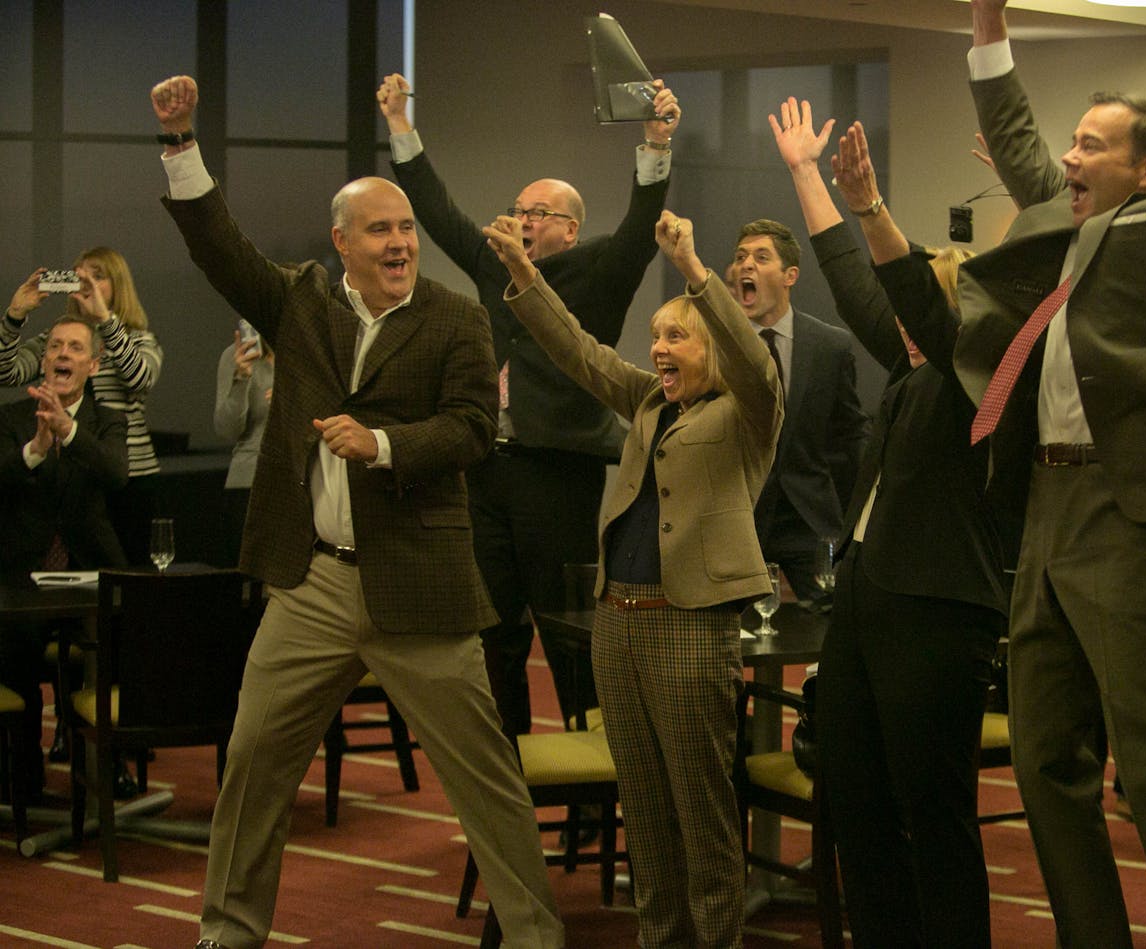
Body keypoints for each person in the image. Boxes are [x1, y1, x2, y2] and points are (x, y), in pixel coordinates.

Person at [149, 75, 562, 949]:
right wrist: (181, 144)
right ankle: (227, 930)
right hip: (312, 583)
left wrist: (380, 446)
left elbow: (473, 430)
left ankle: (535, 936)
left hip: (420, 585)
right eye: (381, 229)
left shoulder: (455, 318)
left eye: (408, 228)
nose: (401, 242)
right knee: (253, 765)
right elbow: (221, 249)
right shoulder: (299, 300)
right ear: (342, 242)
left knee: (486, 778)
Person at [951, 2, 1146, 946]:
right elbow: (1016, 145)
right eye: (1071, 145)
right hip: (1048, 506)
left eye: (1090, 146)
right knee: (1043, 760)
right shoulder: (1069, 228)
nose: (1067, 160)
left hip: (1131, 513)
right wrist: (988, 24)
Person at [484, 207, 781, 949]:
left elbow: (752, 359)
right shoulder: (648, 400)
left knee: (703, 816)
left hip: (691, 624)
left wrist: (694, 273)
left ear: (710, 345)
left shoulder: (748, 410)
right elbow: (580, 352)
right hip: (618, 621)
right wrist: (526, 279)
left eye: (675, 335)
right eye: (656, 337)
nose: (658, 348)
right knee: (645, 814)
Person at [770, 99, 1009, 946]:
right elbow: (854, 279)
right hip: (869, 603)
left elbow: (905, 296)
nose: (895, 318)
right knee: (855, 798)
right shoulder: (909, 375)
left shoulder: (976, 386)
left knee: (933, 812)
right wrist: (807, 175)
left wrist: (872, 207)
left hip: (940, 611)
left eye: (916, 306)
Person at [379, 73, 679, 738]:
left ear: (569, 229)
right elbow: (438, 211)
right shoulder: (494, 265)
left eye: (536, 212)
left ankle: (596, 768)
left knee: (566, 629)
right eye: (516, 207)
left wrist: (655, 141)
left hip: (557, 471)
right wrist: (401, 126)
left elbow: (638, 228)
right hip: (485, 469)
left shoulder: (596, 271)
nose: (520, 218)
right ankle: (506, 775)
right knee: (494, 632)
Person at [0, 315, 128, 800]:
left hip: (89, 570)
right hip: (21, 577)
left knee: (115, 637)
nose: (62, 355)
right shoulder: (11, 418)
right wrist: (35, 449)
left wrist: (69, 430)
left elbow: (117, 474)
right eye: (55, 346)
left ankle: (105, 769)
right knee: (14, 648)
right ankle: (23, 776)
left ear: (92, 365)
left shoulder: (107, 420)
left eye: (75, 348)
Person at [733, 218, 868, 608]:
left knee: (832, 618)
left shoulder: (830, 345)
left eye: (761, 257)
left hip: (808, 517)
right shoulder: (719, 343)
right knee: (731, 633)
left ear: (790, 275)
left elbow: (849, 436)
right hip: (740, 516)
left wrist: (855, 518)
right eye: (741, 257)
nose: (747, 265)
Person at [2, 250, 163, 567]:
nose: (85, 283)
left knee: (131, 579)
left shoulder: (137, 339)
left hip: (127, 474)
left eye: (97, 276)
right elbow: (7, 372)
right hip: (71, 476)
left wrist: (105, 322)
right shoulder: (57, 340)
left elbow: (140, 378)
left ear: (118, 286)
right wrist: (14, 317)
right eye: (79, 275)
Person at [212, 328, 273, 568]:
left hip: (301, 481)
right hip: (249, 481)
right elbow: (226, 430)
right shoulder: (236, 354)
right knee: (246, 589)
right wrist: (241, 379)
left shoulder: (306, 350)